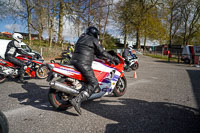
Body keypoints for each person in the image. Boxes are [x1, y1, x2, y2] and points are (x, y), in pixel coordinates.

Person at [69, 26, 120, 115]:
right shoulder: (93, 40)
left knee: (87, 79)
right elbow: (102, 52)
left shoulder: (81, 38)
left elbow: (93, 52)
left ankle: (81, 90)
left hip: (73, 61)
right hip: (83, 63)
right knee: (94, 83)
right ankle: (77, 100)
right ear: (95, 34)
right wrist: (113, 58)